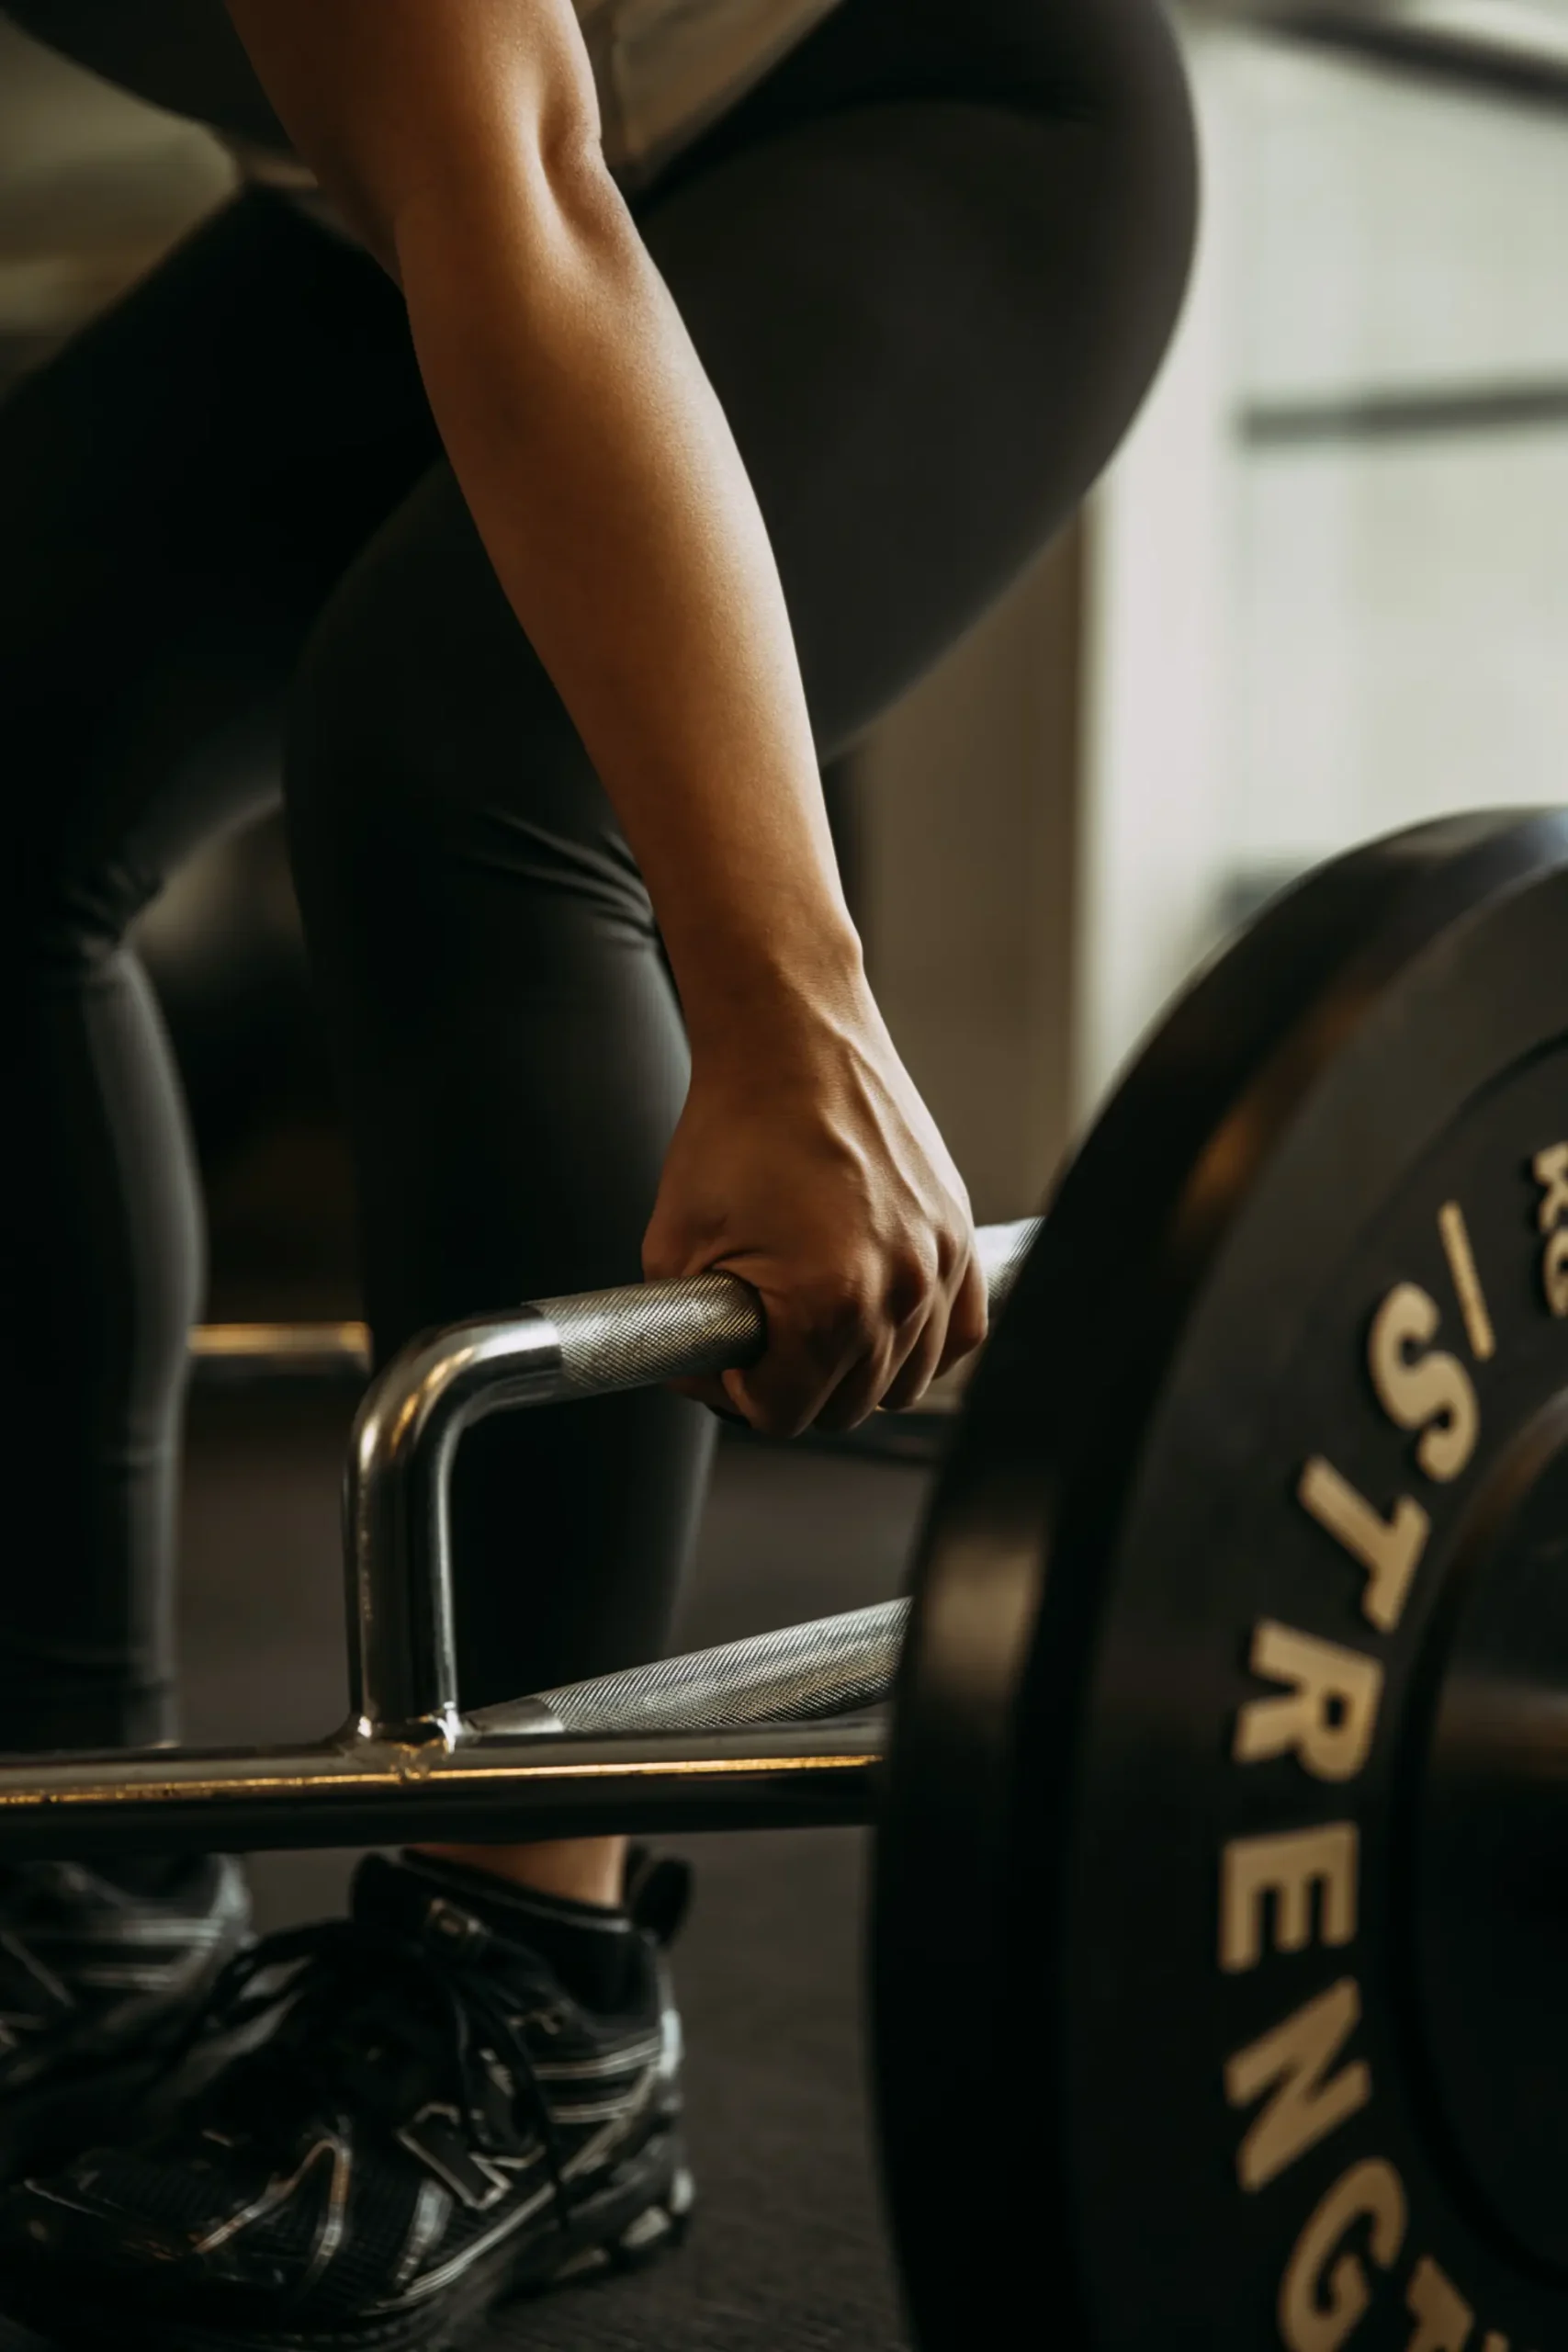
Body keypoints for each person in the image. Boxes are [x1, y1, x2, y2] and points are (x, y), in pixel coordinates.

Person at [0, 0, 1195, 2342]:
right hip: (391, 191)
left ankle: (525, 1997)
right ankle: (80, 1893)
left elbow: (527, 193)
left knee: (460, 744)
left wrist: (785, 1005)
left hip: (921, 105)